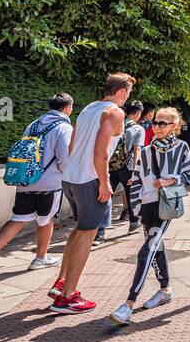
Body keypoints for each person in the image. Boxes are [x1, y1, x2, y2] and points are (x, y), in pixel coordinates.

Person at [50, 73, 137, 315]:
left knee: (80, 229)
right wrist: (104, 182)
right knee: (88, 234)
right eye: (128, 92)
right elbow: (101, 152)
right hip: (90, 178)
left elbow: (72, 145)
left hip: (71, 177)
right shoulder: (115, 112)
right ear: (121, 91)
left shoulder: (89, 108)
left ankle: (61, 284)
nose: (128, 97)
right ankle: (68, 297)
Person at [0, 93, 73, 280]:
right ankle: (40, 258)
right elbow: (64, 159)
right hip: (49, 184)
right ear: (68, 108)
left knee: (18, 218)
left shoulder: (33, 125)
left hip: (25, 180)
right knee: (46, 220)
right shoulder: (64, 127)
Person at [111, 107, 190, 325]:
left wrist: (169, 180)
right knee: (156, 247)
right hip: (147, 205)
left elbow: (189, 176)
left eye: (163, 123)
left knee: (146, 251)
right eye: (156, 122)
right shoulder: (147, 151)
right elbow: (137, 180)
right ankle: (166, 290)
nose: (157, 127)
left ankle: (128, 304)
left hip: (166, 204)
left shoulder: (181, 148)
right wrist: (136, 210)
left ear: (174, 126)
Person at [97, 100, 144, 244]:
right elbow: (137, 149)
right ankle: (134, 223)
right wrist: (137, 170)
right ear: (137, 113)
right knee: (131, 195)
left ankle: (100, 232)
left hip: (110, 166)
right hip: (128, 167)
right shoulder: (138, 129)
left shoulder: (116, 123)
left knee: (104, 196)